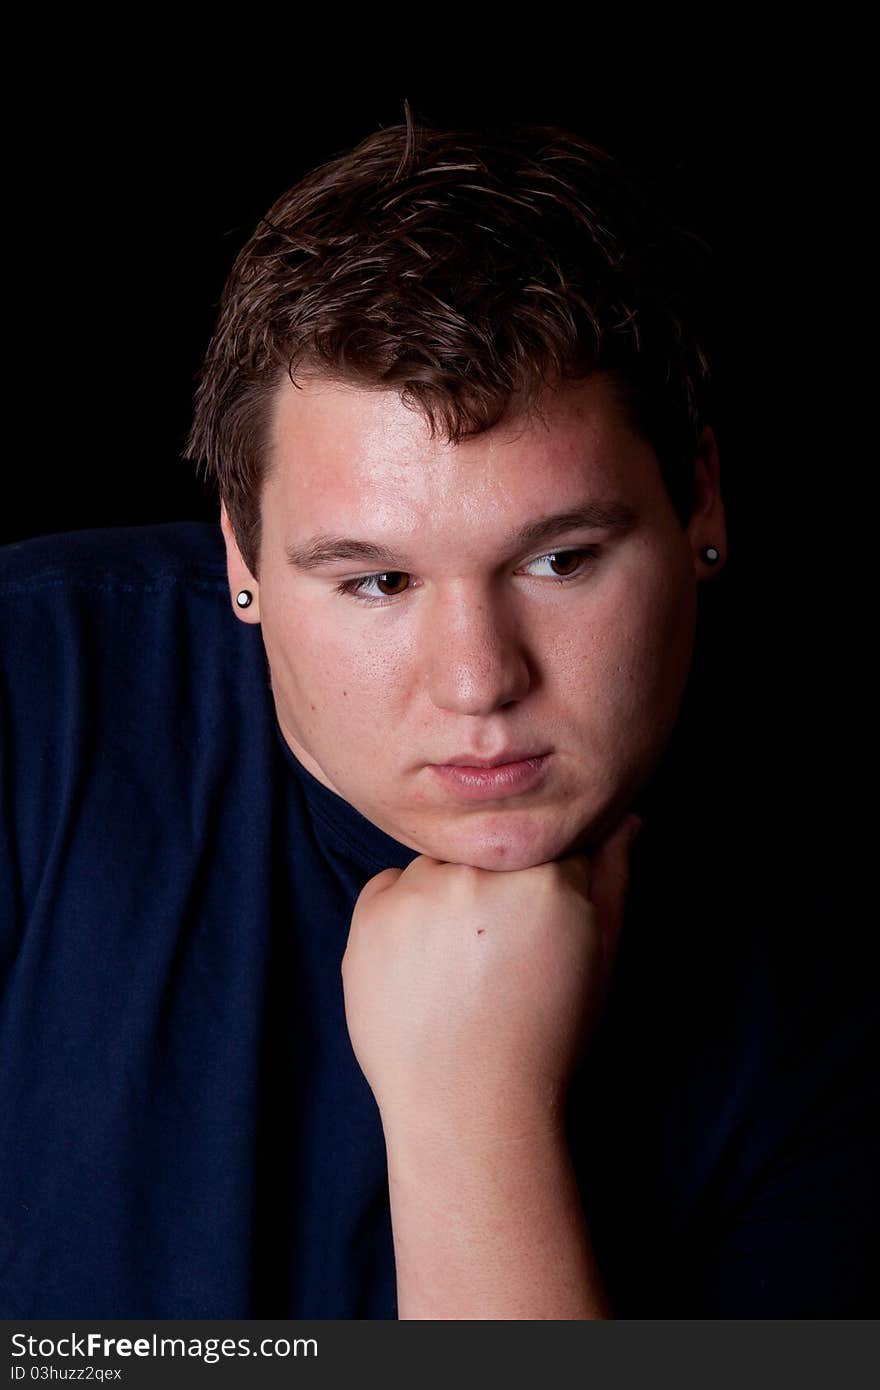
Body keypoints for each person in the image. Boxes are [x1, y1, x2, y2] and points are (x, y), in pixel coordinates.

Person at [1, 110, 876, 1319]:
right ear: (239, 557)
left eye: (560, 561)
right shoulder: (31, 700)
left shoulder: (831, 953)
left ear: (700, 505)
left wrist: (474, 1117)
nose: (477, 683)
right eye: (376, 581)